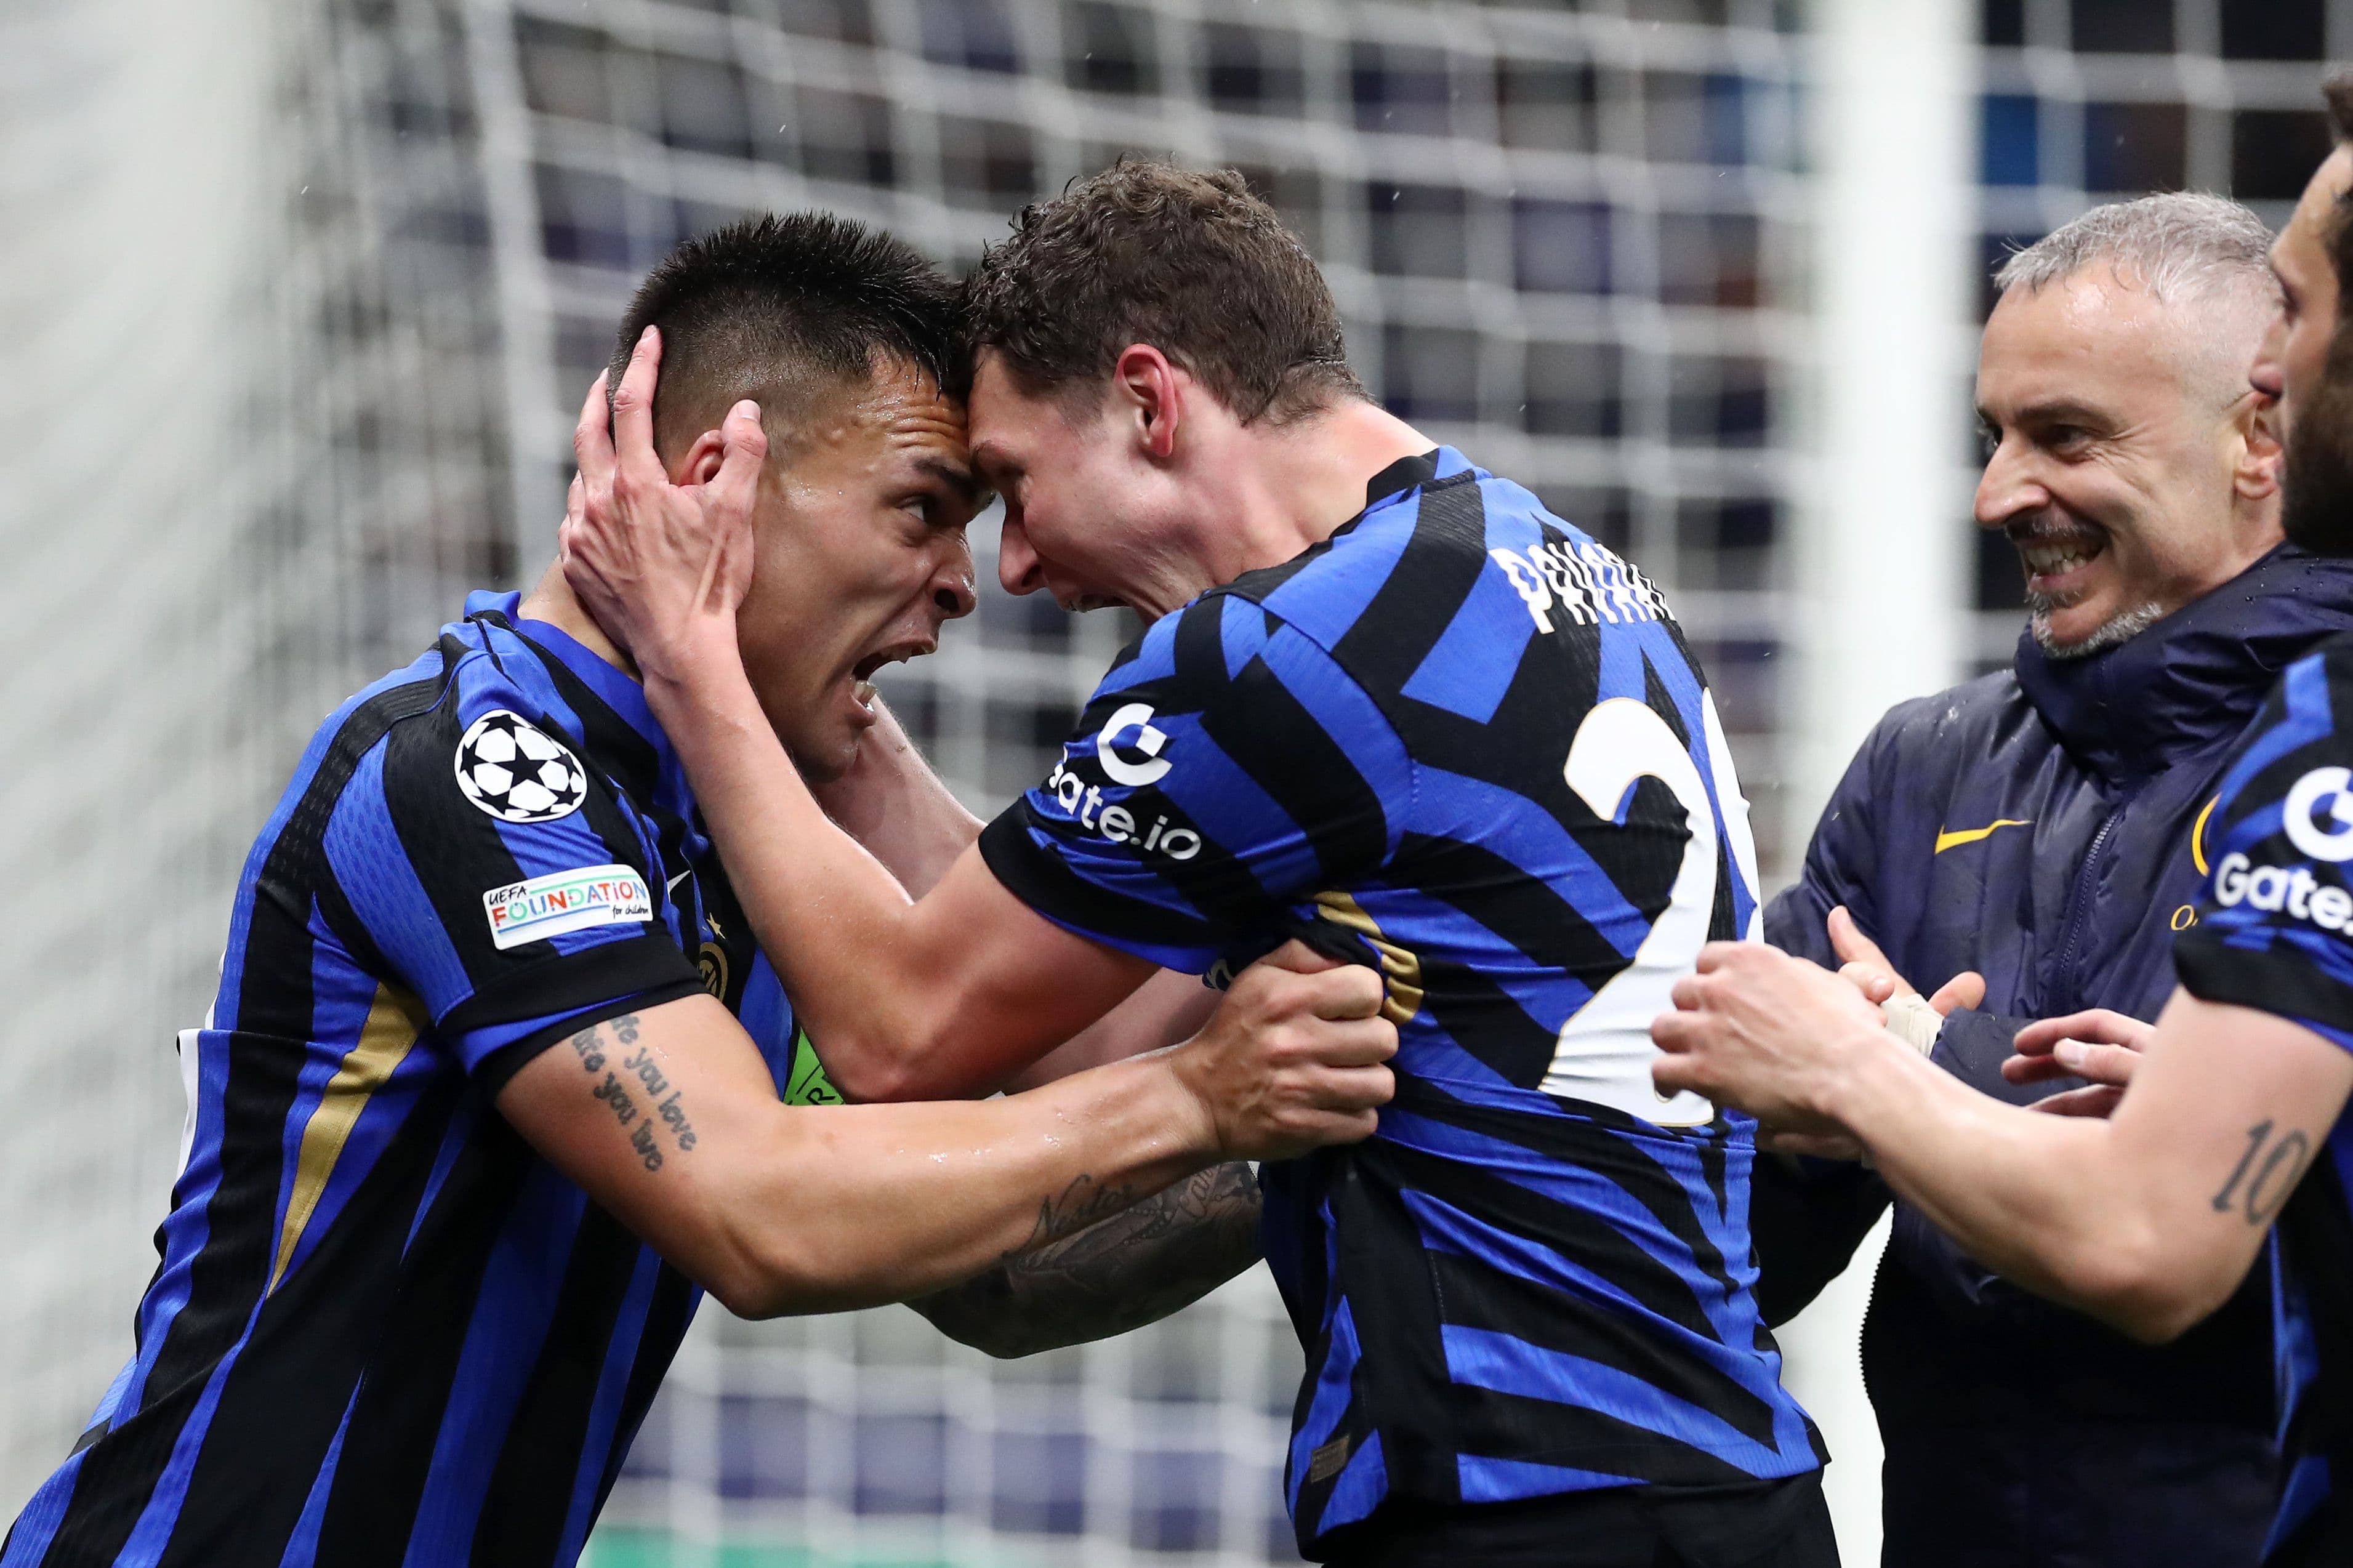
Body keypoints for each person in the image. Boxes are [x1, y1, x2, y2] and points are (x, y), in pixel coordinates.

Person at [0, 214, 1398, 1568]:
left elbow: (1007, 1275)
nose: (968, 584)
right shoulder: (473, 769)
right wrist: (1198, 1097)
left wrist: (1354, 1104)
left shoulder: (743, 837)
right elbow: (754, 1207)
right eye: (922, 507)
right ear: (711, 475)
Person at [562, 161, 1835, 1567]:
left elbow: (899, 1031)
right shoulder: (1570, 576)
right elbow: (1073, 1018)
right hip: (1732, 1478)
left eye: (1017, 485)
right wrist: (842, 739)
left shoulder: (1281, 655)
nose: (1024, 564)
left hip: (1526, 1498)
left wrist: (695, 659)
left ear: (1151, 401)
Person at [1651, 74, 2353, 1568]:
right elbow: (1729, 1260)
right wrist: (1804, 1133)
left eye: (2068, 435)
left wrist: (1881, 1071)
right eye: (1994, 433)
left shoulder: (2335, 752)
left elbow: (2156, 1236)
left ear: (2259, 435)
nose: (1997, 493)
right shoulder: (1929, 768)